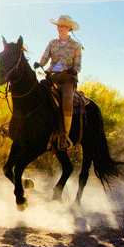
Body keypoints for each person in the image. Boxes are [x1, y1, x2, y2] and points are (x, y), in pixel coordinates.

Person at [35, 15, 82, 150]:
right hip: (52, 77)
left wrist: (73, 70)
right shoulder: (52, 43)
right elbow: (44, 58)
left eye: (62, 26)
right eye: (58, 26)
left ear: (68, 29)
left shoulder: (75, 46)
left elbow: (78, 66)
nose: (60, 28)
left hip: (67, 79)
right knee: (37, 94)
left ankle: (64, 136)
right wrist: (39, 64)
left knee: (67, 102)